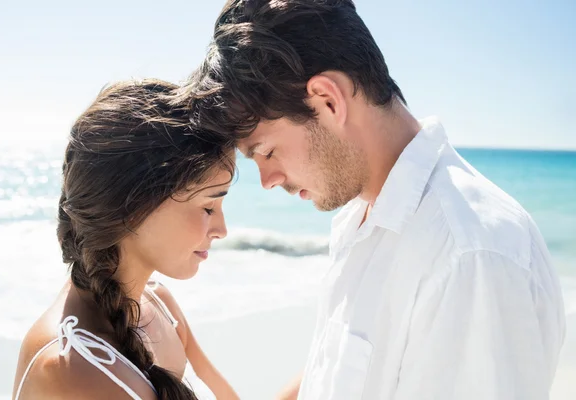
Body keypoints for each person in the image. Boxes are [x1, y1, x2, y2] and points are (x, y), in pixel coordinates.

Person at [186, 1, 566, 399]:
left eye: (265, 151)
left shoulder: (467, 255)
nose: (267, 180)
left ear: (328, 101)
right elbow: (336, 372)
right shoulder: (364, 216)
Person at [12, 79, 239, 400]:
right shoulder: (72, 370)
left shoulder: (161, 306)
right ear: (135, 208)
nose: (222, 229)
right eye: (208, 206)